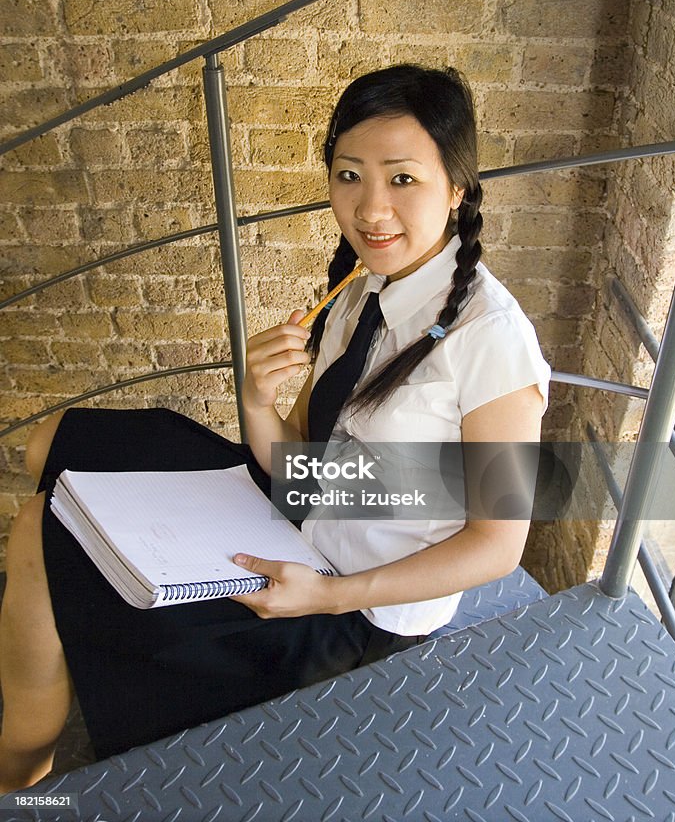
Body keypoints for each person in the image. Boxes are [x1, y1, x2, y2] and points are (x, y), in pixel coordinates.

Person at [0, 64, 550, 792]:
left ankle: (19, 767)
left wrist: (323, 596)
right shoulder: (362, 287)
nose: (370, 208)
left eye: (402, 179)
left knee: (47, 532)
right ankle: (26, 751)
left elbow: (496, 547)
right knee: (59, 443)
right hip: (292, 517)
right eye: (348, 175)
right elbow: (299, 467)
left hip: (350, 609)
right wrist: (257, 400)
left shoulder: (494, 341)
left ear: (457, 187)